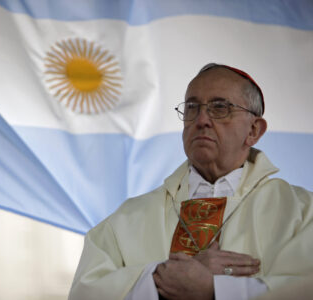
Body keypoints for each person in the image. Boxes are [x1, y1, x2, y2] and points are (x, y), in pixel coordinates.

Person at [68, 63, 313, 300]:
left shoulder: (301, 212)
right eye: (192, 107)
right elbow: (84, 292)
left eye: (220, 108)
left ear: (253, 131)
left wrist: (217, 291)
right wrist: (158, 279)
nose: (201, 120)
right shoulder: (128, 218)